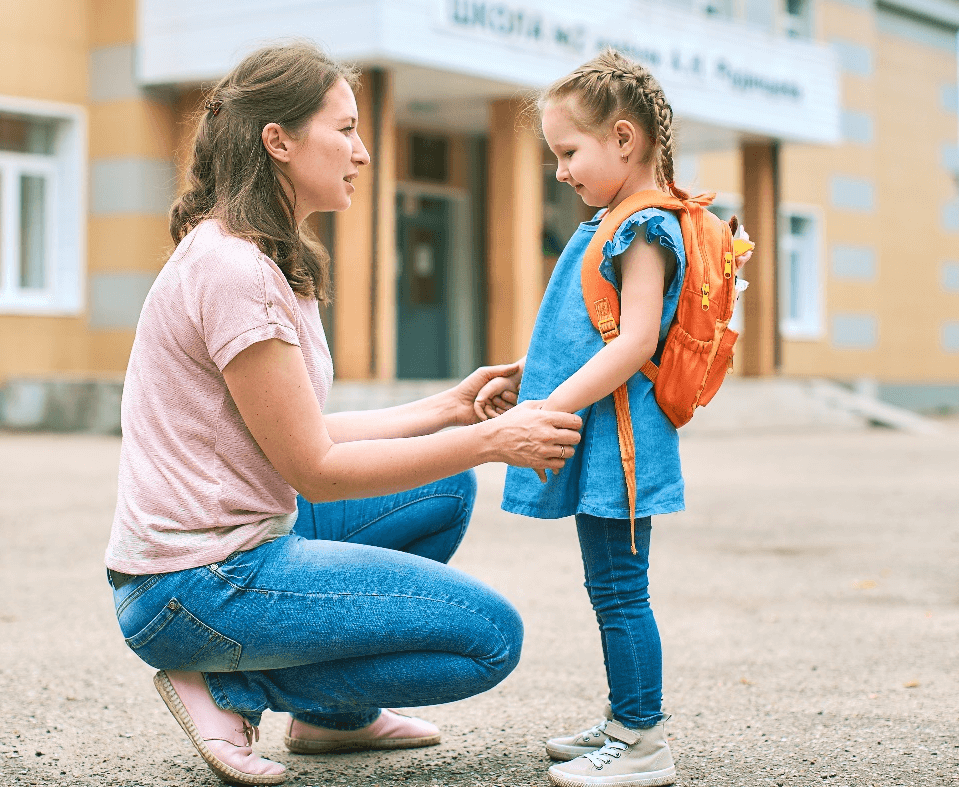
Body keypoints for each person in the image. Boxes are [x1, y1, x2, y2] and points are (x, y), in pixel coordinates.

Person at [104, 41, 583, 786]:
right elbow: (317, 471)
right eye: (345, 129)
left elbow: (306, 436)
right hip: (193, 585)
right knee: (490, 638)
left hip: (225, 555)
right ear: (279, 140)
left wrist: (452, 407)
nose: (362, 152)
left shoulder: (260, 256)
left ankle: (335, 717)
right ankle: (228, 685)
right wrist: (491, 440)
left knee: (443, 488)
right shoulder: (235, 271)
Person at [474, 49, 754, 787]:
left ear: (623, 140)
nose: (560, 169)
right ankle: (624, 717)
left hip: (623, 443)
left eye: (569, 151)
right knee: (610, 586)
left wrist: (548, 405)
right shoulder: (619, 219)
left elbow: (633, 342)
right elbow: (587, 332)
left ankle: (642, 740)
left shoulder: (645, 227)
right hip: (605, 435)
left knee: (622, 590)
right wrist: (526, 377)